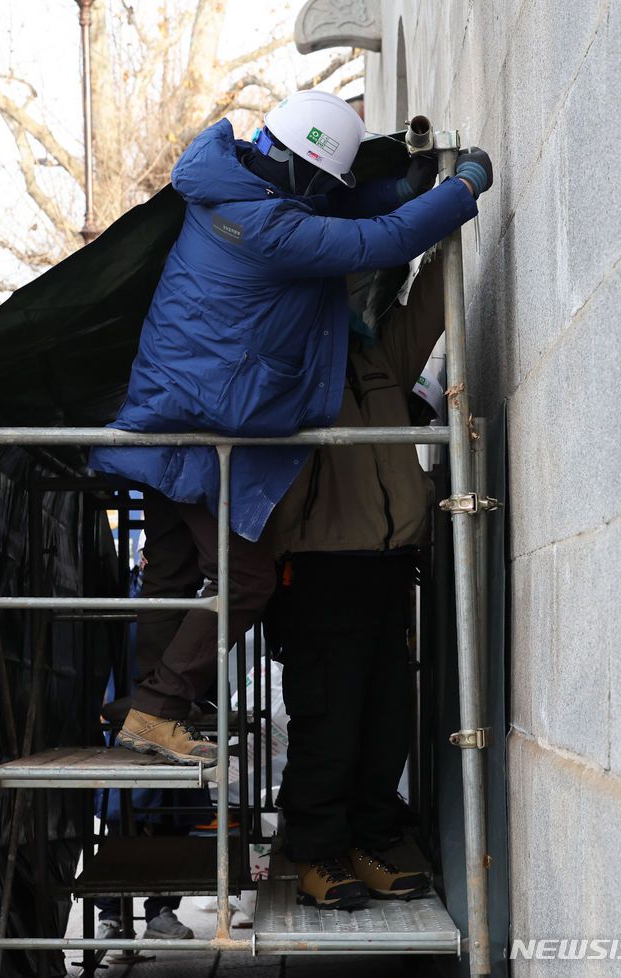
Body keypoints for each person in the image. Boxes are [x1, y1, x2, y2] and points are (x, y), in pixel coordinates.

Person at [88, 89, 484, 767]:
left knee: (173, 571)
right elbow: (374, 240)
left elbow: (336, 209)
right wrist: (464, 187)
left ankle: (141, 704)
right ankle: (158, 710)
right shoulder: (266, 229)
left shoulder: (237, 187)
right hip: (197, 427)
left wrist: (402, 187)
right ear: (303, 168)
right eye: (327, 177)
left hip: (169, 412)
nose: (329, 191)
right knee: (247, 581)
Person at [265, 161, 493, 911]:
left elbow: (429, 305)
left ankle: (368, 838)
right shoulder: (290, 366)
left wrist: (448, 207)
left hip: (390, 564)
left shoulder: (374, 357)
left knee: (385, 717)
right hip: (321, 570)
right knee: (329, 723)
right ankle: (316, 853)